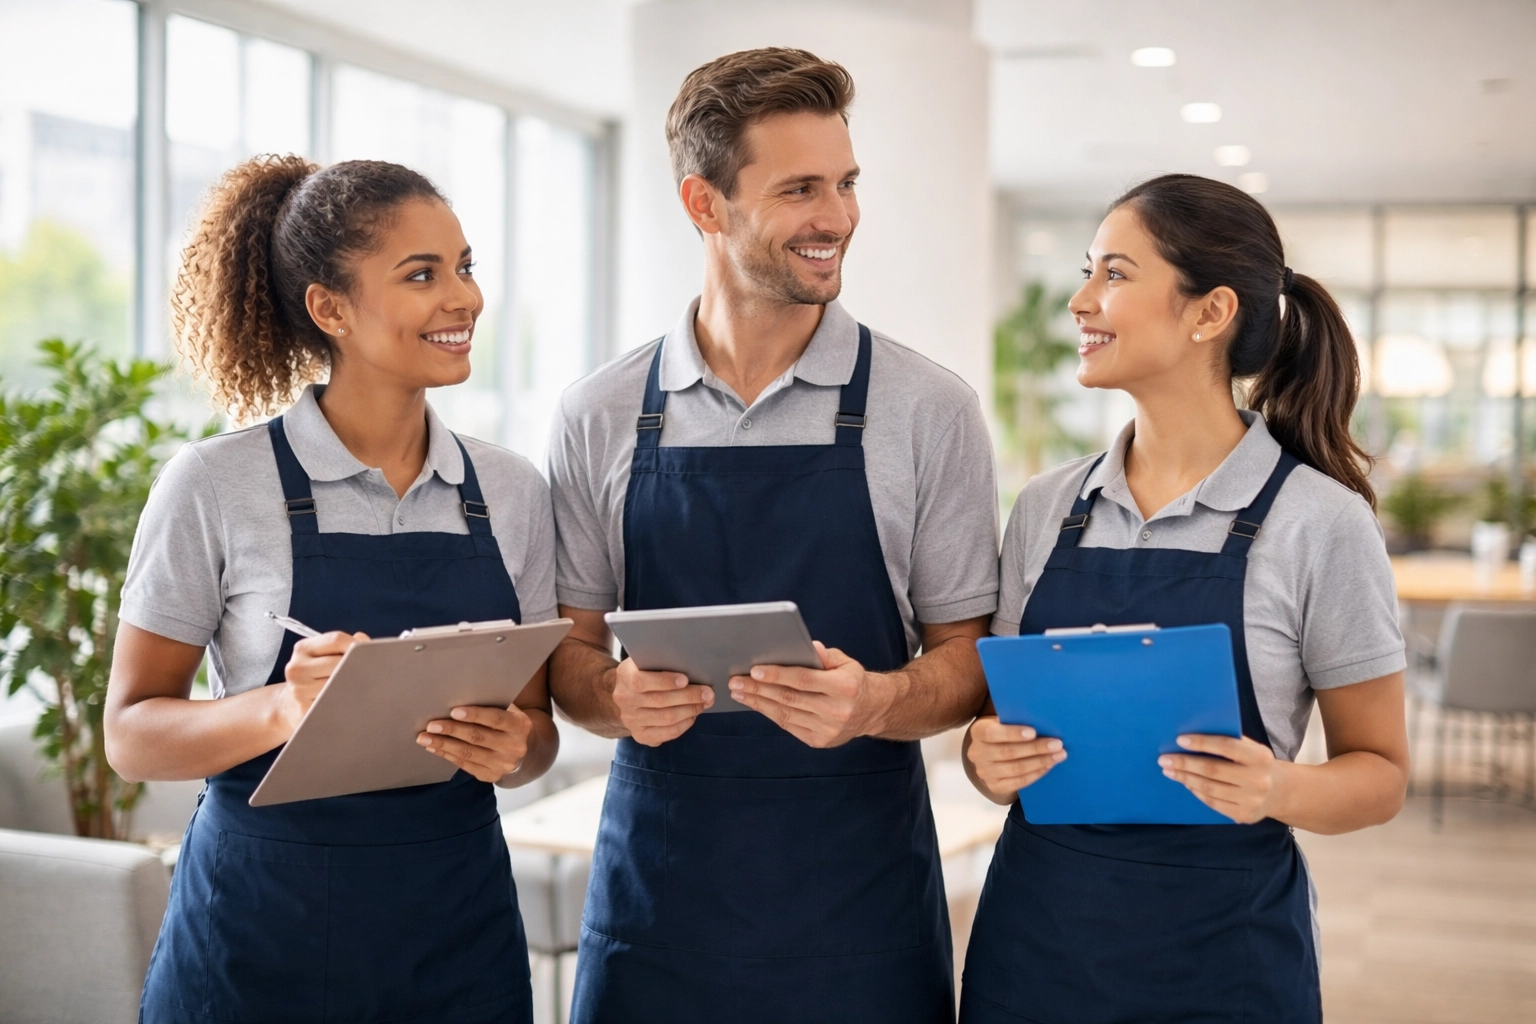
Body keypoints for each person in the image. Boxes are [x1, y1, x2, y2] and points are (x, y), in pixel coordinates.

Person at [546, 48, 999, 1024]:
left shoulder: (930, 410)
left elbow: (970, 661)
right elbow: (569, 659)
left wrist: (879, 699)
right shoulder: (600, 413)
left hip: (860, 914)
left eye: (845, 184)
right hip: (659, 912)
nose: (837, 216)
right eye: (801, 189)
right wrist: (615, 694)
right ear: (704, 204)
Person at [105, 155, 560, 1024]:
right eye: (421, 275)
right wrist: (284, 710)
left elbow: (533, 733)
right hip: (260, 937)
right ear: (331, 308)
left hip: (456, 936)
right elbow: (131, 735)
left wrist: (515, 750)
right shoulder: (213, 484)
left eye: (465, 267)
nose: (462, 298)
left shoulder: (511, 491)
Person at [959, 173, 1410, 1024]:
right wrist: (987, 759)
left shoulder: (1319, 523)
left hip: (1221, 956)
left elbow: (1379, 776)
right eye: (1088, 270)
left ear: (1209, 314)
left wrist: (1275, 789)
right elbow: (994, 733)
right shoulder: (1048, 509)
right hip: (1037, 943)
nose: (1080, 301)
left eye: (1116, 274)